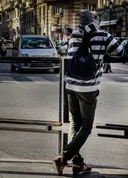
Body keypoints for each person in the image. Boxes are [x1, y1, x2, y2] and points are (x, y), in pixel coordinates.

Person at [53, 10, 124, 175]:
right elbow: (120, 51)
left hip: (70, 85)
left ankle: (78, 164)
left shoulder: (74, 35)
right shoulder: (103, 35)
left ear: (79, 23)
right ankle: (64, 157)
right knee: (86, 127)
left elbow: (68, 54)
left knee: (75, 124)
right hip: (88, 88)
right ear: (95, 21)